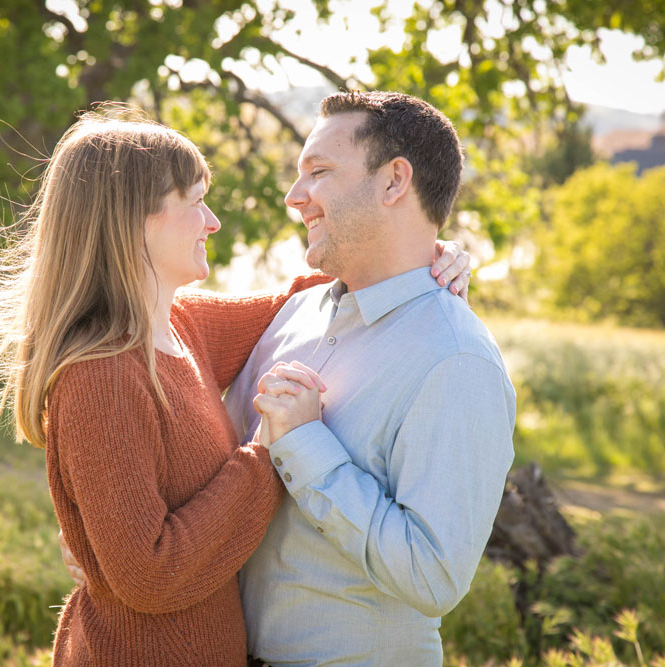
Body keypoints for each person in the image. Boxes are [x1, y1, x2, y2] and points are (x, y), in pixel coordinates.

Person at [0, 108, 472, 665]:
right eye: (194, 201)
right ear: (134, 218)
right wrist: (273, 450)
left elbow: (315, 288)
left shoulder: (185, 327)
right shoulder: (100, 375)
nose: (213, 222)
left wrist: (430, 256)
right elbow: (151, 574)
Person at [228, 91, 517, 666]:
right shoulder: (293, 314)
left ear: (393, 183)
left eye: (319, 172)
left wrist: (306, 446)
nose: (294, 196)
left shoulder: (455, 361)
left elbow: (433, 576)